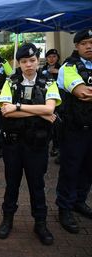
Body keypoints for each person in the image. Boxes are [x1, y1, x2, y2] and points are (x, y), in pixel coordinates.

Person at [0, 43, 60, 246]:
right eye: (24, 61)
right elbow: (5, 111)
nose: (29, 65)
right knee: (11, 184)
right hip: (13, 144)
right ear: (18, 63)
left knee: (37, 185)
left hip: (37, 145)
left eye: (32, 60)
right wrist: (38, 110)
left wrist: (18, 106)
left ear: (37, 60)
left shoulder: (48, 81)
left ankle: (40, 223)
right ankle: (7, 219)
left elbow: (50, 109)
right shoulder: (11, 82)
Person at [56, 29, 92, 234]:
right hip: (74, 129)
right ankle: (65, 207)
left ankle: (79, 201)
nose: (89, 46)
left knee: (88, 168)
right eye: (85, 43)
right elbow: (83, 92)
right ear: (77, 46)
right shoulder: (69, 67)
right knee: (71, 169)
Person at [42, 49, 62, 159]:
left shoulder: (62, 68)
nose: (51, 59)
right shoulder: (43, 69)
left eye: (54, 56)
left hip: (59, 101)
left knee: (57, 125)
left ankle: (56, 146)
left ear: (57, 57)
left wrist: (58, 72)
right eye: (49, 57)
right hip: (46, 101)